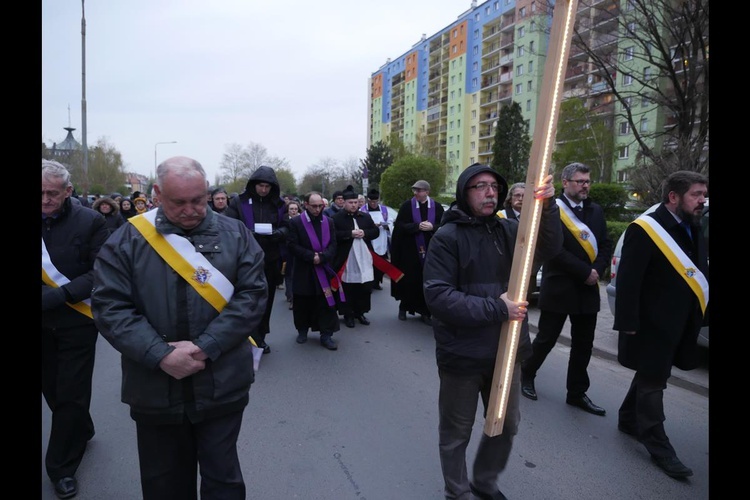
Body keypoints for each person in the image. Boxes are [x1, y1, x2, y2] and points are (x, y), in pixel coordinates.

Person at [90, 156, 267, 499]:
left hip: (223, 383)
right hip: (154, 388)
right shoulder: (128, 240)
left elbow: (253, 297)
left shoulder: (236, 234)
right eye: (179, 202)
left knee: (223, 480)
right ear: (157, 194)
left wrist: (204, 346)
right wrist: (161, 355)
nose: (191, 210)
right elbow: (109, 306)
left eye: (198, 200)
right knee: (163, 483)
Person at [423, 163, 562, 500]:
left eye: (494, 187)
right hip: (463, 355)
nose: (490, 193)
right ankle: (457, 492)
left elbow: (547, 248)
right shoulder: (447, 237)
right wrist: (498, 308)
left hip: (507, 349)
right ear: (464, 192)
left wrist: (548, 206)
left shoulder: (507, 229)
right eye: (480, 186)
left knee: (505, 424)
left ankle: (484, 481)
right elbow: (438, 297)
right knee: (456, 432)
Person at [614, 170, 708, 479]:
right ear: (674, 197)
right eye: (696, 194)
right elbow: (628, 279)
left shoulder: (693, 225)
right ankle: (657, 443)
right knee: (655, 380)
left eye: (703, 194)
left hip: (679, 321)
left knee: (652, 372)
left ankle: (629, 418)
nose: (702, 200)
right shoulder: (647, 229)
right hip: (651, 323)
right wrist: (627, 322)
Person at [520, 162, 613, 417]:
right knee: (546, 339)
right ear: (566, 183)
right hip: (561, 286)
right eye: (580, 181)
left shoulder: (595, 210)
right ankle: (526, 375)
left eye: (588, 181)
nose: (586, 186)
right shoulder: (551, 210)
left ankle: (576, 392)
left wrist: (598, 269)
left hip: (587, 290)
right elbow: (553, 250)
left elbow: (605, 243)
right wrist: (585, 272)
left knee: (584, 344)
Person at [42, 159, 110, 499]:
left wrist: (61, 295)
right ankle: (80, 427)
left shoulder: (92, 221)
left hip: (77, 319)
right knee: (52, 390)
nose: (45, 200)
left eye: (52, 193)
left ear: (68, 191)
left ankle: (61, 468)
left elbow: (102, 270)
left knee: (70, 392)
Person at [224, 165, 289, 354]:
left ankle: (260, 336)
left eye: (267, 187)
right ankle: (242, 336)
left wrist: (279, 233)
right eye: (260, 186)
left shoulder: (279, 204)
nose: (264, 190)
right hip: (244, 259)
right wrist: (246, 233)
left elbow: (286, 226)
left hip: (270, 258)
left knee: (265, 300)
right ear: (254, 185)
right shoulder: (239, 202)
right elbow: (230, 225)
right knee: (243, 299)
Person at [287, 191, 342, 350]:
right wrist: (311, 256)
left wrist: (323, 257)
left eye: (320, 206)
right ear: (306, 205)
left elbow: (333, 244)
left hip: (323, 268)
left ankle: (326, 334)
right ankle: (302, 330)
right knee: (303, 302)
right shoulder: (296, 223)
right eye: (314, 206)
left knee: (325, 302)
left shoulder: (329, 222)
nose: (318, 209)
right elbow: (292, 245)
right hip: (304, 269)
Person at [390, 179, 444, 325]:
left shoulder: (437, 207)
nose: (416, 193)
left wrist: (432, 227)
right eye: (414, 190)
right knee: (409, 280)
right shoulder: (407, 206)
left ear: (427, 192)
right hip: (410, 251)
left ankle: (425, 312)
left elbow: (444, 225)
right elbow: (400, 225)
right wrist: (417, 226)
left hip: (431, 251)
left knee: (425, 281)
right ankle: (403, 307)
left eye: (419, 190)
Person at [332, 185, 379, 328]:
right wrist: (349, 234)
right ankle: (348, 314)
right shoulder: (336, 218)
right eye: (350, 202)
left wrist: (364, 233)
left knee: (364, 287)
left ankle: (360, 312)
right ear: (344, 203)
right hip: (347, 257)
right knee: (348, 287)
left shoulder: (365, 216)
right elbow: (333, 236)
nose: (353, 205)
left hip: (364, 256)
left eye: (355, 202)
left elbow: (375, 232)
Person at [361, 188, 391, 290]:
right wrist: (372, 225)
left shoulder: (384, 210)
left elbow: (390, 223)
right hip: (369, 240)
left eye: (375, 201)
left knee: (381, 262)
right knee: (370, 263)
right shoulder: (362, 210)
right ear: (368, 200)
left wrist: (386, 226)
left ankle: (378, 281)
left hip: (381, 239)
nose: (373, 204)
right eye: (371, 201)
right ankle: (370, 283)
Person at [282, 200, 302, 309]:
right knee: (288, 274)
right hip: (287, 251)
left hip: (299, 250)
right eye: (291, 209)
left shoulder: (302, 220)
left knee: (296, 274)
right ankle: (290, 295)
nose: (293, 211)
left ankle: (295, 297)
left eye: (295, 209)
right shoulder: (284, 221)